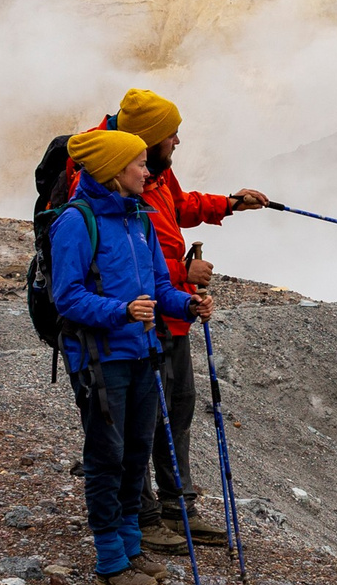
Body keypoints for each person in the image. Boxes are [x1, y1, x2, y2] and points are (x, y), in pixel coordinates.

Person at [47, 127, 211, 585]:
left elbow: (160, 287)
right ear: (114, 171)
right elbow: (67, 297)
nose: (147, 170)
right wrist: (120, 312)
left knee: (136, 453)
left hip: (144, 352)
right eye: (138, 164)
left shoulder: (138, 216)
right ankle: (111, 557)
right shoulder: (77, 222)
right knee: (107, 456)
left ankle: (132, 544)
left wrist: (186, 305)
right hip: (101, 359)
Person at [113, 89, 268, 548]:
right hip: (139, 319)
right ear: (149, 138)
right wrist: (183, 271)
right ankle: (142, 516)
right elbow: (125, 253)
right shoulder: (116, 178)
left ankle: (176, 506)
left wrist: (228, 203)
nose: (177, 141)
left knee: (176, 407)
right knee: (141, 414)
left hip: (172, 310)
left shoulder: (152, 171)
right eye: (171, 135)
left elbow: (177, 207)